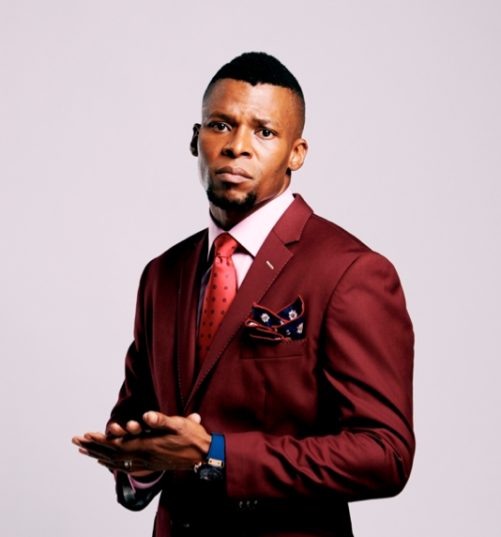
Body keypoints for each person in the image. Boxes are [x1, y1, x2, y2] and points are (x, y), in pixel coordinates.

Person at [73, 52, 415, 537]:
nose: (237, 147)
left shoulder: (350, 272)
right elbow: (141, 422)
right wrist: (139, 462)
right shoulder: (162, 275)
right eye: (221, 125)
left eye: (265, 132)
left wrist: (215, 455)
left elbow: (386, 454)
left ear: (297, 153)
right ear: (196, 139)